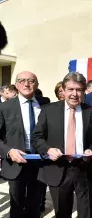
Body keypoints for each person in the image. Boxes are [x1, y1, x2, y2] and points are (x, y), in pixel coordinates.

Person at [32, 72, 92, 218]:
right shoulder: (48, 110)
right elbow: (37, 137)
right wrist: (48, 149)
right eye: (70, 89)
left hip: (84, 169)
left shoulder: (91, 112)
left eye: (79, 90)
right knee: (62, 213)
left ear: (83, 91)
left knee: (87, 213)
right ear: (63, 90)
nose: (74, 94)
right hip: (57, 168)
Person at [0, 71, 49, 218]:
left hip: (40, 162)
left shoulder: (46, 105)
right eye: (22, 80)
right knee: (16, 205)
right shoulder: (5, 108)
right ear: (16, 85)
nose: (26, 84)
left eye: (31, 81)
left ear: (37, 84)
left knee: (35, 205)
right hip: (16, 162)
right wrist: (8, 151)